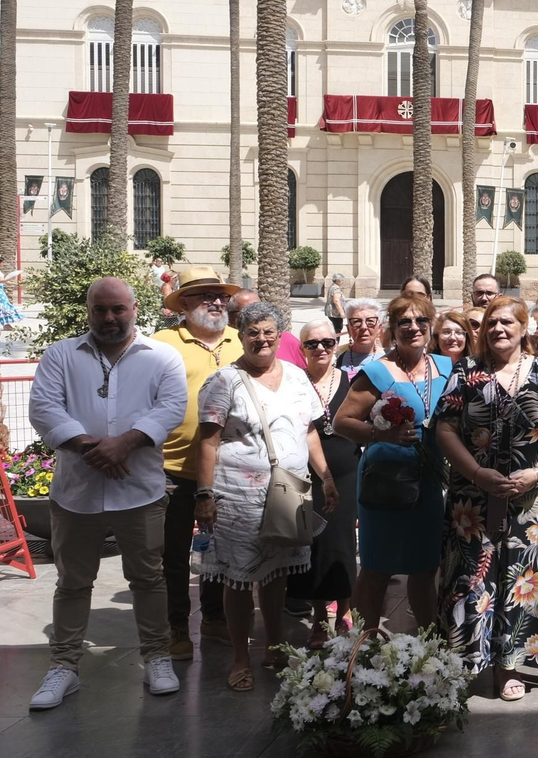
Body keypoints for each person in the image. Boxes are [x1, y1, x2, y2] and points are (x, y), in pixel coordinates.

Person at [26, 278, 187, 710]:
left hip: (140, 490)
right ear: (88, 311)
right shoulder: (62, 355)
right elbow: (44, 408)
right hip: (76, 493)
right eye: (100, 310)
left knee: (148, 578)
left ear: (134, 309)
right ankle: (64, 665)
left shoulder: (162, 356)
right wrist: (92, 449)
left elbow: (171, 407)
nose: (109, 318)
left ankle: (157, 657)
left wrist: (126, 443)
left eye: (117, 309)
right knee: (73, 582)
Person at [436, 296, 538, 701]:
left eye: (507, 322)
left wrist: (536, 473)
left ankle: (509, 665)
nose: (498, 329)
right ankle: (464, 663)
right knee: (471, 578)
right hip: (473, 499)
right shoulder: (465, 371)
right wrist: (477, 473)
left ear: (523, 327)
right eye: (491, 322)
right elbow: (445, 429)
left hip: (530, 501)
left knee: (521, 579)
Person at [194, 301, 338, 692]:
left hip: (289, 494)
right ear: (240, 336)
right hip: (237, 499)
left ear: (279, 335)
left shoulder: (296, 376)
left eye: (268, 332)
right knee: (240, 580)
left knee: (277, 573)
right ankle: (241, 658)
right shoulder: (224, 381)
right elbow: (207, 441)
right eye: (253, 332)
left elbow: (309, 431)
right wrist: (204, 495)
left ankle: (275, 648)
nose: (261, 339)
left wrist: (326, 476)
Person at [333, 293, 450, 633]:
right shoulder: (376, 371)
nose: (414, 328)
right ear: (393, 328)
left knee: (425, 567)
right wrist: (382, 434)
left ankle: (428, 645)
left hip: (429, 482)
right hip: (385, 481)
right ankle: (363, 644)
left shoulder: (445, 367)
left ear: (431, 325)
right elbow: (342, 422)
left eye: (421, 320)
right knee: (377, 568)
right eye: (404, 322)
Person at [152, 266, 243, 661]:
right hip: (171, 469)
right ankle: (176, 625)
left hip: (228, 470)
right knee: (172, 554)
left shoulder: (242, 340)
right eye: (206, 295)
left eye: (220, 295)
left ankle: (214, 617)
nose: (216, 301)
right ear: (183, 303)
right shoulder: (161, 344)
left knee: (218, 552)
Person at [290, 319, 360, 649]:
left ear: (336, 344)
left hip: (347, 472)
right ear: (302, 348)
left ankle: (344, 612)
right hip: (307, 474)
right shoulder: (294, 382)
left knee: (343, 542)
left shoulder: (352, 381)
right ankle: (319, 617)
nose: (320, 348)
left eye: (327, 342)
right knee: (314, 545)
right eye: (312, 343)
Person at [230, 289, 306, 370]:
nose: (261, 339)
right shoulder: (226, 343)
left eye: (259, 307)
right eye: (246, 311)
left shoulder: (289, 342)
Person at [0, 256, 23, 330]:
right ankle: (3, 323)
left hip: (0, 287)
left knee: (4, 303)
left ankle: (5, 323)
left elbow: (3, 280)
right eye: (2, 262)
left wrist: (14, 284)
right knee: (2, 303)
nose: (3, 264)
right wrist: (10, 278)